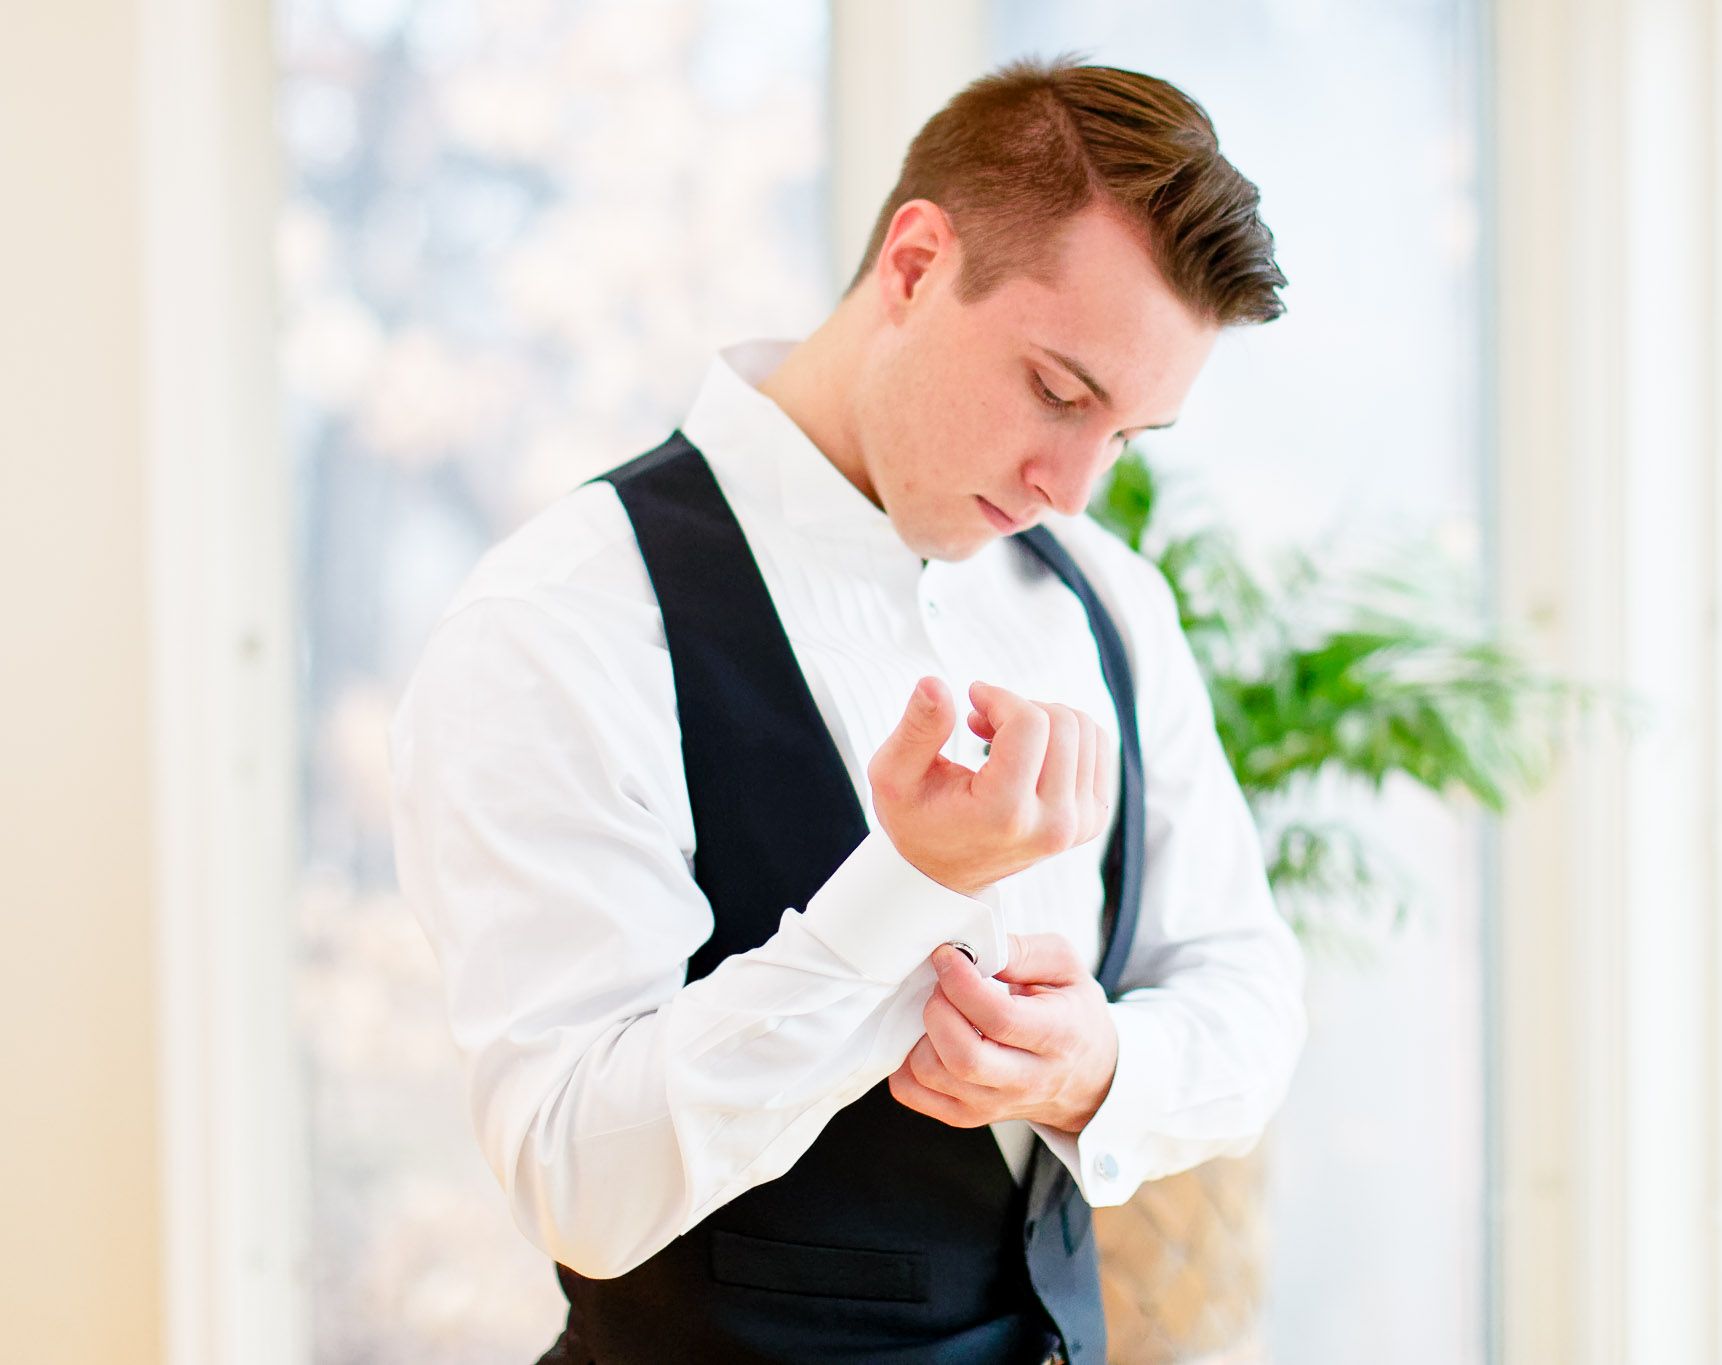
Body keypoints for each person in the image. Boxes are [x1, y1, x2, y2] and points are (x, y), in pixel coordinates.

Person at [390, 56, 1305, 1365]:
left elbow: (1247, 983)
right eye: (1058, 390)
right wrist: (910, 884)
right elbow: (580, 1182)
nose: (1072, 485)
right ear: (917, 264)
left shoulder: (1107, 601)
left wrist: (1095, 1068)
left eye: (1130, 436)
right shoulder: (565, 621)